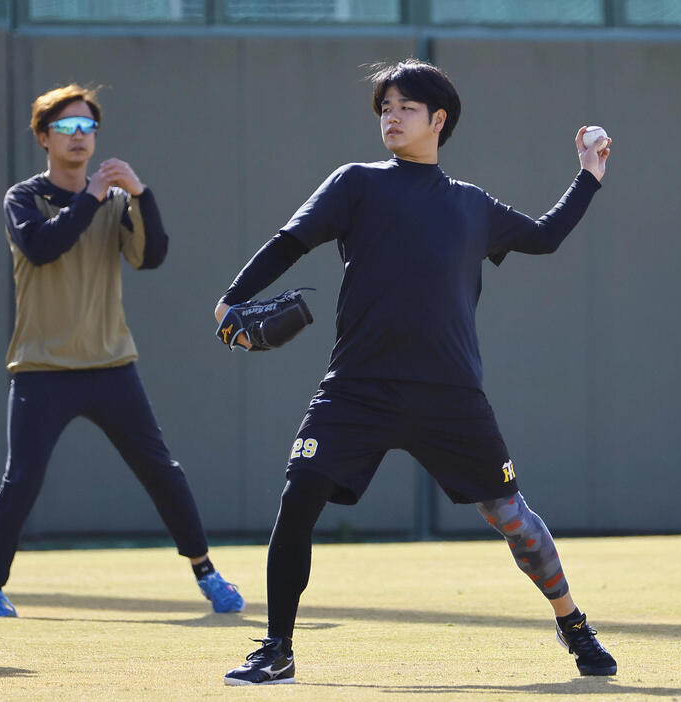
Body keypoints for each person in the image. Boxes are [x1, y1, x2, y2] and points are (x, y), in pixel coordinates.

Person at [215, 59, 617, 685]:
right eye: (384, 108)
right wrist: (231, 297)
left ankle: (574, 625)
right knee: (298, 498)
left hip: (449, 391)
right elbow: (290, 240)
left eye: (404, 106)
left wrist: (588, 176)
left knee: (511, 516)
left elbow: (544, 237)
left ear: (438, 120)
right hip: (356, 386)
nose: (391, 116)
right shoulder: (357, 184)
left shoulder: (470, 205)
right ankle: (277, 647)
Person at [0, 84, 244, 618]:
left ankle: (206, 573)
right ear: (44, 138)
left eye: (87, 128)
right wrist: (94, 195)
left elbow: (153, 256)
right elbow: (43, 247)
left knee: (162, 470)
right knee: (21, 480)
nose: (79, 137)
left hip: (111, 366)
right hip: (42, 368)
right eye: (68, 128)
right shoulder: (23, 198)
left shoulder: (117, 200)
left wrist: (141, 195)